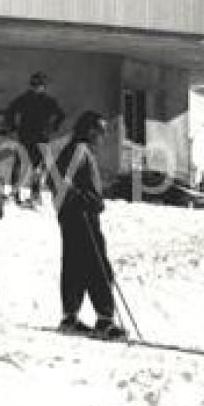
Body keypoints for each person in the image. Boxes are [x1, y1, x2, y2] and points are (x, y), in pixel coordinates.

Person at [51, 111, 125, 340]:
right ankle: (104, 320)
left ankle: (70, 317)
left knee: (75, 265)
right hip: (81, 216)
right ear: (90, 130)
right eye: (101, 130)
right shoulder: (79, 150)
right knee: (98, 266)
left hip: (75, 215)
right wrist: (80, 201)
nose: (103, 137)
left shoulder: (75, 149)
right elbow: (56, 180)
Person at [3, 71, 65, 203]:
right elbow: (10, 112)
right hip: (27, 138)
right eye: (35, 85)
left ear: (43, 86)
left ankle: (34, 195)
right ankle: (16, 194)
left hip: (39, 139)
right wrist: (12, 127)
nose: (37, 87)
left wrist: (53, 128)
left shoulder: (47, 101)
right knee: (21, 166)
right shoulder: (26, 99)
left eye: (39, 85)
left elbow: (61, 115)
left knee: (36, 168)